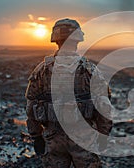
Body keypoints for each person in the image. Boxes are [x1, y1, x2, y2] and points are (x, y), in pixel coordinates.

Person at [25, 18, 112, 168]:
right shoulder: (90, 71)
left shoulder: (41, 70)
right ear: (78, 40)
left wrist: (36, 136)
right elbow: (104, 106)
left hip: (53, 139)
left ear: (55, 40)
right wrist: (103, 136)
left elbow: (31, 106)